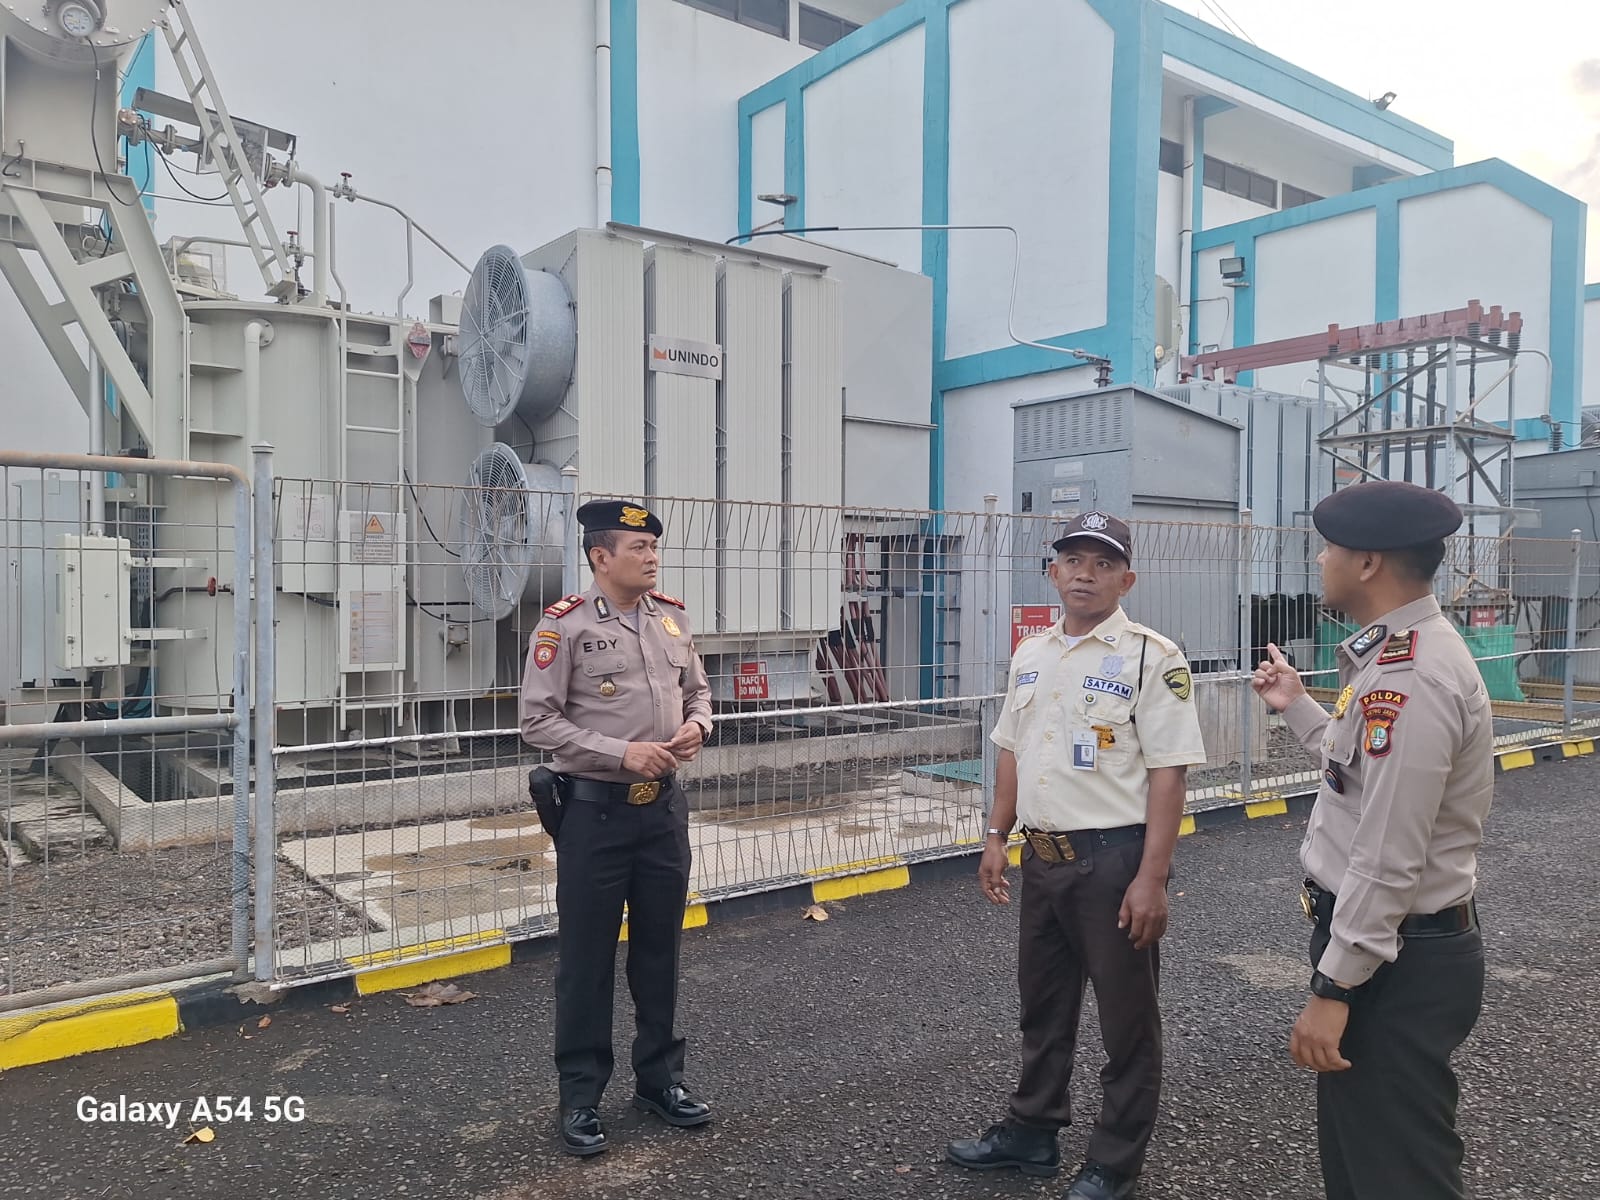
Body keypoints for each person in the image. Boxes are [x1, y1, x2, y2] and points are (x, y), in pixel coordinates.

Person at [947, 511, 1208, 1200]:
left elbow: (1170, 775)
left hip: (1114, 860)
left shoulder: (1153, 656)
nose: (1085, 574)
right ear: (1053, 572)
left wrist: (1153, 877)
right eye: (1073, 560)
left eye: (1102, 563)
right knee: (1043, 1006)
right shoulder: (1032, 653)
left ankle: (1114, 1164)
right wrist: (996, 835)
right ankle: (1032, 1132)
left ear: (1127, 579)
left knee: (1127, 1021)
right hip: (1043, 858)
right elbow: (1011, 750)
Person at [1251, 479, 1493, 1200]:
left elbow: (1390, 853)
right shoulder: (1390, 657)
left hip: (1395, 962)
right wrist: (1297, 705)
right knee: (1364, 1157)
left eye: (1329, 548)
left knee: (1398, 1172)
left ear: (1367, 563)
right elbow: (1357, 774)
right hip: (1387, 948)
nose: (1319, 560)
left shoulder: (1413, 676)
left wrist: (1335, 986)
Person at [518, 498, 715, 1157]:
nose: (652, 557)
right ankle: (580, 1098)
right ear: (601, 557)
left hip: (661, 814)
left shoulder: (672, 618)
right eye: (639, 548)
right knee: (587, 960)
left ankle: (660, 1081)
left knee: (660, 950)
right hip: (593, 814)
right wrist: (620, 752)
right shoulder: (564, 627)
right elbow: (538, 722)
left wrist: (698, 726)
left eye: (654, 547)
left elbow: (699, 692)